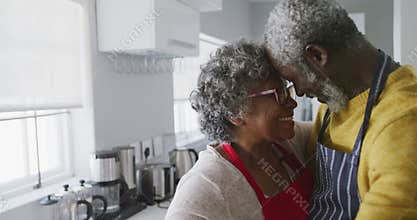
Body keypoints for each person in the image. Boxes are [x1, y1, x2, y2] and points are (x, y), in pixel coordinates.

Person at [265, 0, 417, 219]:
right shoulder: (333, 104)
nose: (297, 93)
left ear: (317, 56)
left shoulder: (403, 122)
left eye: (293, 79)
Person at [165, 40, 313, 220]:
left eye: (287, 91)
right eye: (278, 95)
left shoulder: (292, 141)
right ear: (235, 113)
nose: (292, 103)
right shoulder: (206, 188)